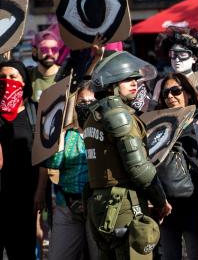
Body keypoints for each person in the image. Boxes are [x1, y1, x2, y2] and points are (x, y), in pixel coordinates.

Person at [84, 51, 172, 259]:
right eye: (127, 79)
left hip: (100, 205)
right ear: (111, 84)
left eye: (135, 78)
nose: (135, 83)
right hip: (123, 204)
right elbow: (139, 168)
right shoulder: (118, 115)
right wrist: (160, 201)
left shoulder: (93, 116)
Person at [43, 81, 99, 260]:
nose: (87, 106)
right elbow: (54, 163)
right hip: (67, 207)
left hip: (97, 208)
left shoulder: (105, 131)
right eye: (82, 102)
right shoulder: (68, 134)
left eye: (92, 102)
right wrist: (59, 134)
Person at [155, 73, 198, 260]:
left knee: (196, 254)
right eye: (165, 93)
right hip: (166, 203)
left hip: (194, 201)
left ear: (189, 94)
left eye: (175, 91)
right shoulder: (158, 125)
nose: (170, 96)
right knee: (169, 255)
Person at [0, 60, 40, 259]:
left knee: (22, 252)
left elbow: (44, 157)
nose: (7, 82)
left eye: (13, 77)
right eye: (3, 78)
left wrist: (40, 193)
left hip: (25, 197)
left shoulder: (36, 111)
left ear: (24, 81)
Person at [30, 24, 63, 102]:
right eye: (44, 49)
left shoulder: (66, 76)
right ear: (35, 52)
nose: (50, 54)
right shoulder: (27, 76)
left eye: (54, 49)